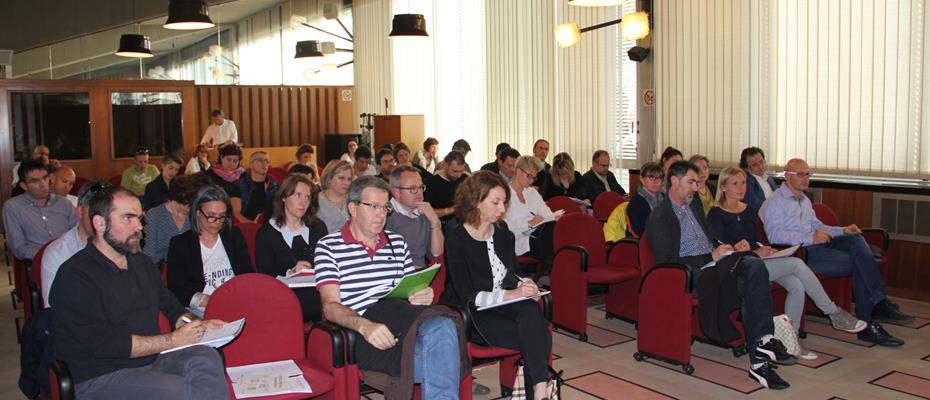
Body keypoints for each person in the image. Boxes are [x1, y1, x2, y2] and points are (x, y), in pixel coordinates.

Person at [49, 186, 229, 399]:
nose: (139, 227)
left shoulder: (141, 263)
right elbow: (108, 344)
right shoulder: (75, 276)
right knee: (185, 391)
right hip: (99, 375)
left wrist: (195, 324)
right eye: (128, 218)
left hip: (151, 359)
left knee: (206, 358)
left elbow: (171, 307)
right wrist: (173, 340)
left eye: (140, 218)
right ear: (99, 223)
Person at [646, 161, 796, 390]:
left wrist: (729, 247)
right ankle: (763, 348)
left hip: (716, 265)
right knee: (753, 271)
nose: (696, 188)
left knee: (753, 270)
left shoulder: (694, 205)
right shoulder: (660, 217)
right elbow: (668, 263)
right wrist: (711, 257)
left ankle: (760, 358)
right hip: (692, 274)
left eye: (696, 182)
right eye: (691, 182)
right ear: (674, 181)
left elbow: (711, 238)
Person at [314, 176, 467, 399]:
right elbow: (330, 306)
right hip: (368, 333)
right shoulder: (329, 246)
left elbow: (408, 291)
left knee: (443, 327)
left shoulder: (397, 242)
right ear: (353, 208)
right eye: (373, 206)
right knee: (445, 351)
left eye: (385, 207)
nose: (381, 214)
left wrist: (421, 294)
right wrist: (365, 326)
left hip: (404, 324)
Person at [708, 167, 867, 360]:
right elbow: (721, 249)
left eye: (744, 183)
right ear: (723, 186)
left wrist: (763, 248)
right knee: (796, 265)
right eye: (735, 184)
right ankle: (833, 312)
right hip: (739, 265)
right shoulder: (716, 214)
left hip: (758, 259)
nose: (741, 188)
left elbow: (757, 239)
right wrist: (746, 249)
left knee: (796, 284)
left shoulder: (749, 210)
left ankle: (791, 339)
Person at [760, 158, 915, 346]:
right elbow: (775, 236)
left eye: (808, 173)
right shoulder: (775, 202)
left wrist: (842, 230)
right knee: (863, 264)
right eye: (800, 174)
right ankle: (871, 320)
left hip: (818, 245)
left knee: (855, 239)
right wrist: (810, 238)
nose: (805, 178)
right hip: (802, 253)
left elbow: (819, 226)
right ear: (786, 176)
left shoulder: (804, 200)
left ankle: (877, 305)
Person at [442, 170, 552, 400]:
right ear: (475, 202)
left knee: (532, 314)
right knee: (538, 333)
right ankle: (540, 391)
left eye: (504, 202)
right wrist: (512, 295)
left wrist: (527, 284)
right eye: (496, 202)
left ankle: (539, 390)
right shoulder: (456, 238)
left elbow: (513, 273)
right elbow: (466, 295)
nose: (502, 209)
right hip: (474, 313)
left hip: (504, 300)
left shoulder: (502, 232)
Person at [167, 185, 252, 310]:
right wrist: (203, 299)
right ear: (197, 212)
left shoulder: (234, 236)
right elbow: (176, 289)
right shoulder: (181, 244)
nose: (217, 221)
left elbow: (247, 274)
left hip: (236, 302)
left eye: (222, 216)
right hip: (202, 309)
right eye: (211, 216)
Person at [255, 175, 328, 322]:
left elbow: (328, 263)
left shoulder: (318, 227)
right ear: (283, 197)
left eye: (308, 197)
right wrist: (292, 272)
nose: (303, 202)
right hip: (284, 295)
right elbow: (265, 275)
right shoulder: (267, 233)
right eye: (298, 195)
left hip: (319, 290)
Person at [40, 180, 108, 308]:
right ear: (80, 212)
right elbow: (54, 310)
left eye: (108, 210)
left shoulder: (122, 247)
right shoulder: (58, 253)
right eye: (95, 210)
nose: (103, 218)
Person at [3, 159, 77, 260]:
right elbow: (19, 248)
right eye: (35, 181)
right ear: (24, 186)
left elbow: (79, 233)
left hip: (72, 257)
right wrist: (50, 254)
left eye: (45, 178)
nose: (43, 184)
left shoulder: (64, 203)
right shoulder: (13, 207)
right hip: (40, 261)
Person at [387, 166, 444, 268]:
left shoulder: (423, 212)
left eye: (421, 187)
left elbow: (437, 255)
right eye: (412, 188)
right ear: (396, 191)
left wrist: (435, 222)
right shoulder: (384, 216)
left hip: (420, 275)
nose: (419, 193)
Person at [504, 156, 560, 260]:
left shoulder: (532, 193)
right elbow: (504, 225)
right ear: (518, 171)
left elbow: (547, 214)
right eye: (529, 176)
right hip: (517, 240)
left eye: (534, 177)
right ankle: (550, 272)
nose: (531, 181)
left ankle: (549, 272)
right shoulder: (504, 194)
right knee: (552, 239)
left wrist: (554, 218)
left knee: (555, 227)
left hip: (537, 237)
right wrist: (529, 223)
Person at [143, 175, 199, 265]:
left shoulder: (195, 215)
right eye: (188, 205)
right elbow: (150, 254)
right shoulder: (154, 215)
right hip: (162, 268)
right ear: (178, 199)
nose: (192, 209)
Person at [612, 162, 665, 240]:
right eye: (651, 177)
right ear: (642, 179)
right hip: (645, 242)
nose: (655, 181)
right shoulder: (636, 202)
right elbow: (641, 231)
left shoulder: (665, 198)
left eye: (659, 178)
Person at [230, 151, 278, 224]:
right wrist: (253, 225)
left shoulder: (274, 186)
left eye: (267, 161)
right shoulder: (238, 185)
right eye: (260, 160)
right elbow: (236, 214)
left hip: (272, 226)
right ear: (251, 165)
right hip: (248, 226)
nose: (264, 163)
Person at [425, 151, 468, 223]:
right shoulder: (431, 183)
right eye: (455, 171)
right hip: (442, 224)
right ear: (445, 165)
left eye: (461, 171)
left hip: (465, 222)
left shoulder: (465, 179)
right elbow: (426, 212)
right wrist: (450, 210)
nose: (459, 175)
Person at [317, 160, 352, 233]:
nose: (346, 183)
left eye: (349, 179)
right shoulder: (316, 201)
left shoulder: (353, 199)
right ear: (329, 178)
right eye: (341, 178)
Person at [740, 146, 776, 210]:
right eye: (755, 165)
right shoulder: (746, 182)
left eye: (761, 162)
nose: (760, 166)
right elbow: (754, 204)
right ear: (747, 168)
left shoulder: (769, 180)